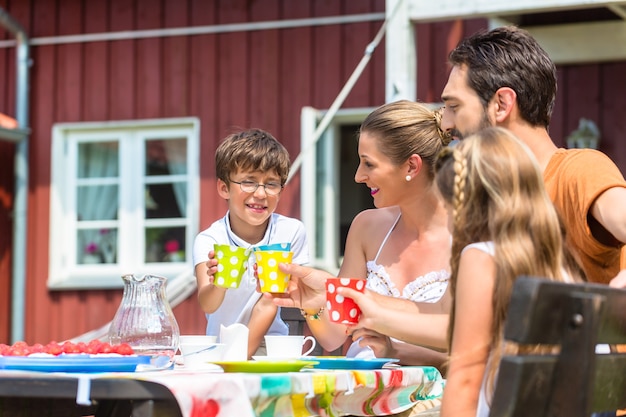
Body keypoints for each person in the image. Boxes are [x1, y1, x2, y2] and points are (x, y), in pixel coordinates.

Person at [266, 100, 452, 368]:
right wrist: (315, 304)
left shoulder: (471, 233)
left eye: (369, 164)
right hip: (360, 391)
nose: (358, 176)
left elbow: (468, 348)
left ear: (412, 167)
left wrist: (395, 350)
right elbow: (333, 337)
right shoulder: (366, 226)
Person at [439, 25, 626, 286]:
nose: (446, 123)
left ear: (502, 104)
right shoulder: (485, 194)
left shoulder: (579, 171)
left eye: (454, 106)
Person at [433, 127, 584, 416]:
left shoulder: (480, 258)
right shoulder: (561, 268)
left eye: (446, 207)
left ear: (465, 208)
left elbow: (465, 379)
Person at [192, 128, 309, 358]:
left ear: (281, 190)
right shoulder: (211, 239)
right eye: (248, 182)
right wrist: (219, 284)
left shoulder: (289, 232)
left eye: (271, 184)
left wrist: (238, 359)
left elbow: (270, 302)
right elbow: (208, 304)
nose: (260, 193)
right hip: (220, 349)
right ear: (224, 188)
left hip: (270, 347)